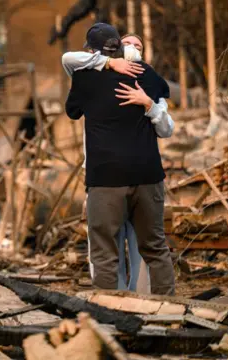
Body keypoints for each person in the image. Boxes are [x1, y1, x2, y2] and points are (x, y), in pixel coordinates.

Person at [66, 23, 176, 295]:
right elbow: (163, 88)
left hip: (106, 177)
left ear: (92, 50)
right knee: (155, 247)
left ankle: (107, 311)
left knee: (104, 251)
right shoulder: (148, 75)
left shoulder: (84, 77)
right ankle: (168, 309)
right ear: (121, 46)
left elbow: (72, 110)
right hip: (147, 175)